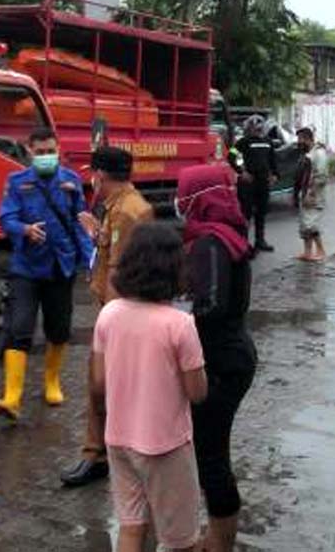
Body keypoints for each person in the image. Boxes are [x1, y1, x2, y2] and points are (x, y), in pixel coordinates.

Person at [92, 222, 208, 552]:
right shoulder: (180, 325)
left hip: (119, 440)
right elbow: (197, 392)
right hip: (165, 446)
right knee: (181, 540)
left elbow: (100, 383)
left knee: (131, 528)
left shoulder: (109, 314)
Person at [60, 146, 154, 488]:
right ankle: (98, 454)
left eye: (92, 173)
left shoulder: (128, 212)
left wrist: (107, 328)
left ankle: (99, 455)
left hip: (118, 315)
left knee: (103, 385)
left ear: (100, 174)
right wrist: (98, 235)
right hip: (118, 312)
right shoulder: (120, 208)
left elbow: (119, 272)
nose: (90, 179)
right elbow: (115, 251)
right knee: (103, 386)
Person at [176, 164, 258, 552]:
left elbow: (210, 305)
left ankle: (220, 543)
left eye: (183, 194)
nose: (178, 202)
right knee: (210, 450)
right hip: (233, 355)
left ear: (198, 197)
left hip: (222, 364)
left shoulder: (210, 241)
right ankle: (216, 536)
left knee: (211, 456)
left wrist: (172, 319)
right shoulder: (228, 233)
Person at [0, 127, 95, 421]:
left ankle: (51, 381)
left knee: (59, 328)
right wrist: (24, 230)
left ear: (58, 149)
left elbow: (79, 224)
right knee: (19, 327)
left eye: (51, 151)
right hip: (26, 266)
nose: (46, 157)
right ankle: (12, 397)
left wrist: (90, 262)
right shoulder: (17, 182)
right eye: (40, 153)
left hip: (60, 266)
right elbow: (5, 217)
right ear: (29, 152)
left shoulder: (71, 181)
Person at [234, 115, 278, 253]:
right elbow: (232, 156)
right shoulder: (242, 142)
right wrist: (242, 171)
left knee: (261, 212)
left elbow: (272, 160)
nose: (257, 130)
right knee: (245, 213)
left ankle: (260, 241)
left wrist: (275, 175)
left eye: (259, 128)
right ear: (249, 128)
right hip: (248, 183)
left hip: (263, 182)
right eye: (254, 128)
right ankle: (243, 243)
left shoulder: (268, 142)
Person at [294, 127, 329, 262]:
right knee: (304, 225)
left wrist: (311, 194)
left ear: (307, 138)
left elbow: (321, 177)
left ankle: (321, 250)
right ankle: (307, 252)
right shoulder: (308, 153)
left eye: (300, 139)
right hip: (305, 193)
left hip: (313, 195)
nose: (298, 142)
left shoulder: (319, 154)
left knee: (311, 225)